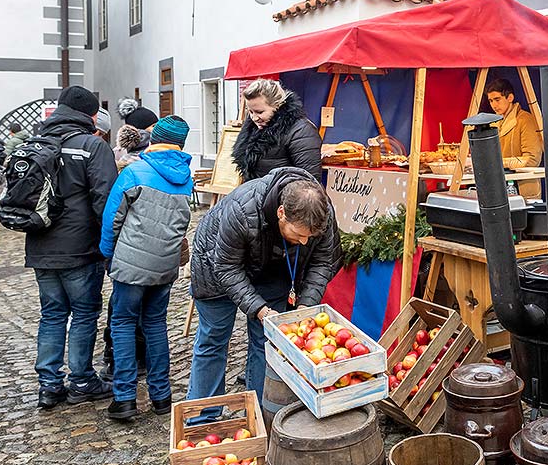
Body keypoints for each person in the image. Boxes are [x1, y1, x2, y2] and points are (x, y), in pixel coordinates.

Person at [187, 167, 341, 422]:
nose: (304, 242)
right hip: (215, 266)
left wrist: (306, 304)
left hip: (272, 268)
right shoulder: (242, 209)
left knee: (267, 342)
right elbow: (226, 267)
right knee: (213, 339)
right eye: (299, 235)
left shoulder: (321, 214)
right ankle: (202, 419)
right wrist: (259, 309)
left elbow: (325, 260)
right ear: (281, 213)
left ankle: (260, 416)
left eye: (309, 237)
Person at [24, 86, 118, 409]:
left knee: (51, 315)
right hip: (80, 249)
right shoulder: (93, 146)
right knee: (84, 313)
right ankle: (80, 379)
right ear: (92, 116)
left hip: (40, 247)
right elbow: (106, 203)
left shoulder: (35, 145)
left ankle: (49, 385)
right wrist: (108, 246)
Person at [100, 116, 193, 420]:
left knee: (123, 324)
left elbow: (113, 218)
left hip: (130, 264)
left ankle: (125, 397)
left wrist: (107, 254)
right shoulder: (185, 177)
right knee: (155, 324)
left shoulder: (136, 171)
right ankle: (161, 396)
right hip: (164, 265)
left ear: (155, 139)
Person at [232, 78, 322, 182]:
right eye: (251, 112)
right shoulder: (253, 128)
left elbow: (310, 183)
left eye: (260, 112)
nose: (254, 118)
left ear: (277, 105)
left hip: (285, 196)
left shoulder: (301, 131)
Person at [484, 78, 544, 199]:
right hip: (499, 187)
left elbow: (532, 159)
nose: (494, 105)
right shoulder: (493, 123)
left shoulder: (526, 120)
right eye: (491, 101)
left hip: (523, 188)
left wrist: (499, 163)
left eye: (497, 99)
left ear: (510, 98)